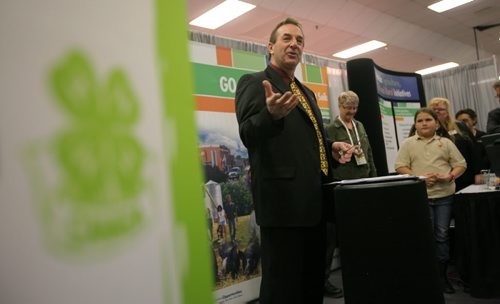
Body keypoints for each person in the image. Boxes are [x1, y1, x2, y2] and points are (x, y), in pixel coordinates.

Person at [235, 17, 353, 304]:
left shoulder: (306, 92)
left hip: (316, 203)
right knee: (282, 290)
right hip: (283, 207)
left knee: (312, 284)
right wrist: (270, 116)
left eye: (299, 40)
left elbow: (306, 142)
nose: (294, 44)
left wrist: (330, 146)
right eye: (287, 38)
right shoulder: (254, 83)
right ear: (271, 46)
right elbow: (248, 133)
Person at [395, 108, 466, 294]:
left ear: (436, 123)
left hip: (444, 196)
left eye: (428, 119)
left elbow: (461, 164)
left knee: (442, 235)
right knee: (425, 235)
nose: (424, 123)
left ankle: (442, 277)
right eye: (419, 120)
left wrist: (449, 176)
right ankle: (428, 276)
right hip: (421, 197)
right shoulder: (408, 144)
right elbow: (400, 166)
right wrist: (419, 177)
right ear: (415, 124)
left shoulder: (446, 143)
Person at [322, 90, 377, 298]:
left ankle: (362, 273)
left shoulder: (360, 126)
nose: (352, 112)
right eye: (348, 108)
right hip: (341, 187)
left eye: (355, 108)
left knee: (360, 233)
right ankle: (325, 279)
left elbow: (368, 152)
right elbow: (328, 160)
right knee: (333, 237)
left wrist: (374, 178)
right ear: (340, 106)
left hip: (363, 183)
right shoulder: (330, 129)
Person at [428, 97, 480, 190]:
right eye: (433, 109)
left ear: (447, 112)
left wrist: (478, 173)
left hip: (466, 175)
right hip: (442, 179)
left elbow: (474, 149)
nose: (437, 111)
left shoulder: (460, 126)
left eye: (440, 109)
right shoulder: (427, 130)